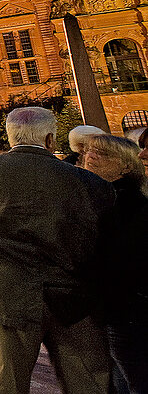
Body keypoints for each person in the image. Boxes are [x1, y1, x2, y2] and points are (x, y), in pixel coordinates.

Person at [0, 106, 115, 394]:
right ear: (50, 140)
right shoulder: (89, 182)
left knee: (7, 380)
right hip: (74, 298)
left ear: (12, 138)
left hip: (7, 294)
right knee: (87, 381)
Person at [83, 133, 148, 393]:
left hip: (125, 310)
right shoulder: (100, 195)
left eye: (103, 153)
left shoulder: (125, 202)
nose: (91, 156)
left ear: (126, 166)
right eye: (89, 150)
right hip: (114, 308)